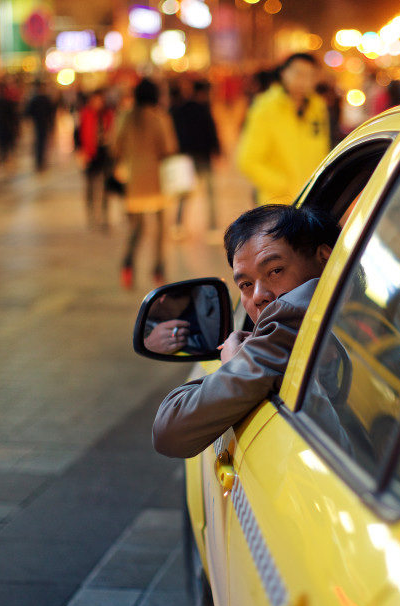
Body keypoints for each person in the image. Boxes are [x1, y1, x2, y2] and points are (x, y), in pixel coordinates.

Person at [152, 204, 340, 458]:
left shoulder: (291, 319)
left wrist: (234, 363)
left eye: (275, 271)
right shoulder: (351, 309)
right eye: (246, 284)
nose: (259, 295)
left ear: (325, 259)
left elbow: (169, 432)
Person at [236, 53, 330, 206]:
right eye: (298, 74)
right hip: (277, 203)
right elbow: (248, 160)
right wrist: (282, 185)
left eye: (310, 76)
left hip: (312, 200)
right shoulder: (265, 107)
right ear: (283, 73)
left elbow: (322, 151)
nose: (304, 81)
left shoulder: (318, 107)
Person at [114, 78, 178, 289]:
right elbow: (169, 148)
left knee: (137, 228)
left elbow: (114, 146)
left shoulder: (125, 117)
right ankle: (158, 270)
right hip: (157, 183)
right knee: (160, 230)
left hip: (133, 183)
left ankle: (127, 264)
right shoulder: (159, 118)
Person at [170, 79, 221, 235]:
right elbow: (211, 130)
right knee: (210, 193)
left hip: (186, 156)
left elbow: (176, 131)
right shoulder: (204, 108)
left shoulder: (182, 108)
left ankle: (178, 225)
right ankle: (212, 226)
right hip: (203, 155)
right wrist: (217, 149)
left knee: (184, 192)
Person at [79, 89, 115, 231]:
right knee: (90, 186)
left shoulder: (108, 114)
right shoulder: (85, 114)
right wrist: (81, 151)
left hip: (105, 153)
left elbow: (115, 131)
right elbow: (78, 133)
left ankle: (105, 216)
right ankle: (92, 216)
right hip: (90, 153)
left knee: (106, 186)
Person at [24, 80, 55, 172]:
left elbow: (28, 112)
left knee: (40, 141)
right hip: (40, 123)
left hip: (40, 123)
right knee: (41, 141)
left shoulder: (37, 99)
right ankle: (40, 160)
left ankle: (40, 160)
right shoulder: (42, 99)